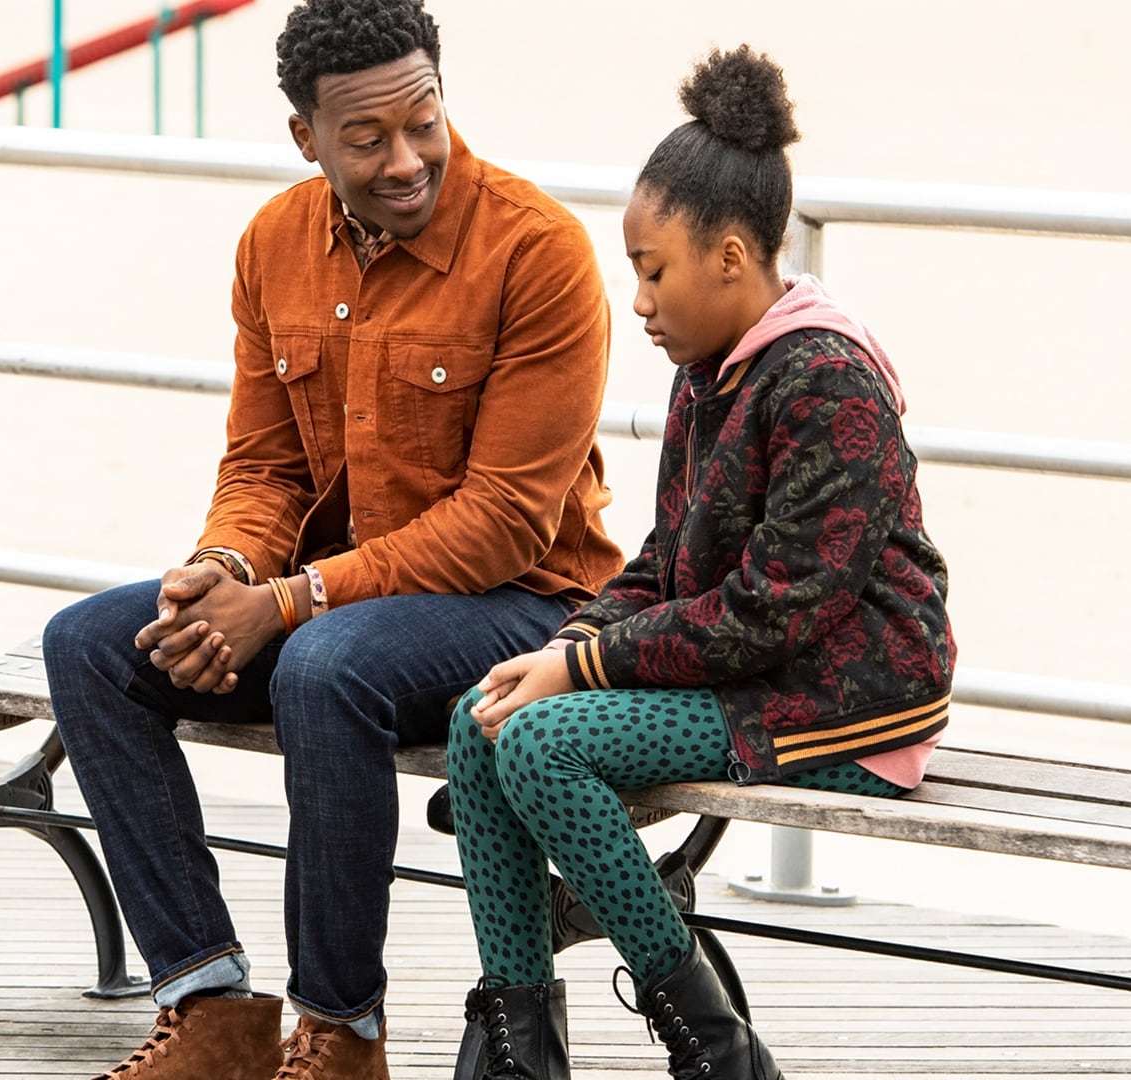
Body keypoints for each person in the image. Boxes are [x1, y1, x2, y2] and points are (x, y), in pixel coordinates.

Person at [40, 1, 623, 1077]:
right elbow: (265, 467)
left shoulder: (537, 251)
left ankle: (340, 1030)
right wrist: (219, 574)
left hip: (521, 603)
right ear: (307, 137)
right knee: (89, 645)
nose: (406, 160)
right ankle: (209, 1007)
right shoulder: (274, 244)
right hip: (330, 596)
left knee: (322, 666)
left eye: (424, 122)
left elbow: (504, 522)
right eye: (366, 138)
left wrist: (289, 602)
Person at [444, 46, 955, 1080]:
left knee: (544, 747)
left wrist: (583, 670)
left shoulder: (828, 385)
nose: (637, 299)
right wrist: (579, 636)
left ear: (730, 257)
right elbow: (669, 560)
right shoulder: (708, 372)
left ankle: (716, 1048)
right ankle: (517, 1046)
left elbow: (775, 612)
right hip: (749, 674)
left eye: (651, 268)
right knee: (479, 721)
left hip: (848, 692)